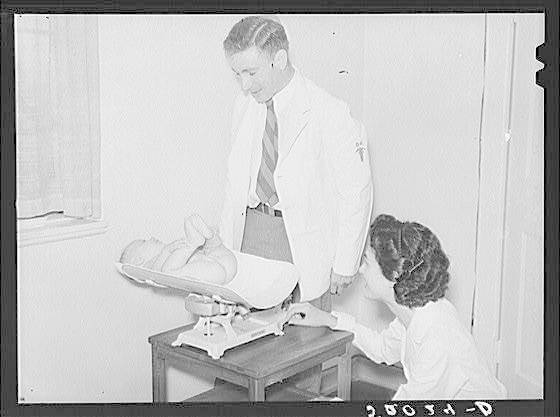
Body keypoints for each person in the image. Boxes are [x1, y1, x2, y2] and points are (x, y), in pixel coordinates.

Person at [219, 15, 373, 393]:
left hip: (303, 242)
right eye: (237, 74)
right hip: (252, 237)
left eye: (251, 72)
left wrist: (345, 262)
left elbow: (357, 188)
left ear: (280, 58)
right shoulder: (245, 107)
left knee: (302, 358)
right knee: (247, 355)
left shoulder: (329, 111)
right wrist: (222, 248)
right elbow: (234, 185)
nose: (244, 84)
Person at [287, 214, 507, 400]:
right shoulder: (415, 310)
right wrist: (326, 318)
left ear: (394, 275)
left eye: (367, 262)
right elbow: (383, 348)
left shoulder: (437, 337)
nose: (361, 270)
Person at [120, 214, 237, 285]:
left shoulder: (170, 258)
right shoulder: (148, 268)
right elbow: (157, 273)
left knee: (209, 248)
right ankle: (195, 242)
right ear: (138, 261)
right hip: (216, 270)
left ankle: (210, 238)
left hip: (219, 263)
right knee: (167, 274)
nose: (151, 238)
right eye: (144, 242)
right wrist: (166, 250)